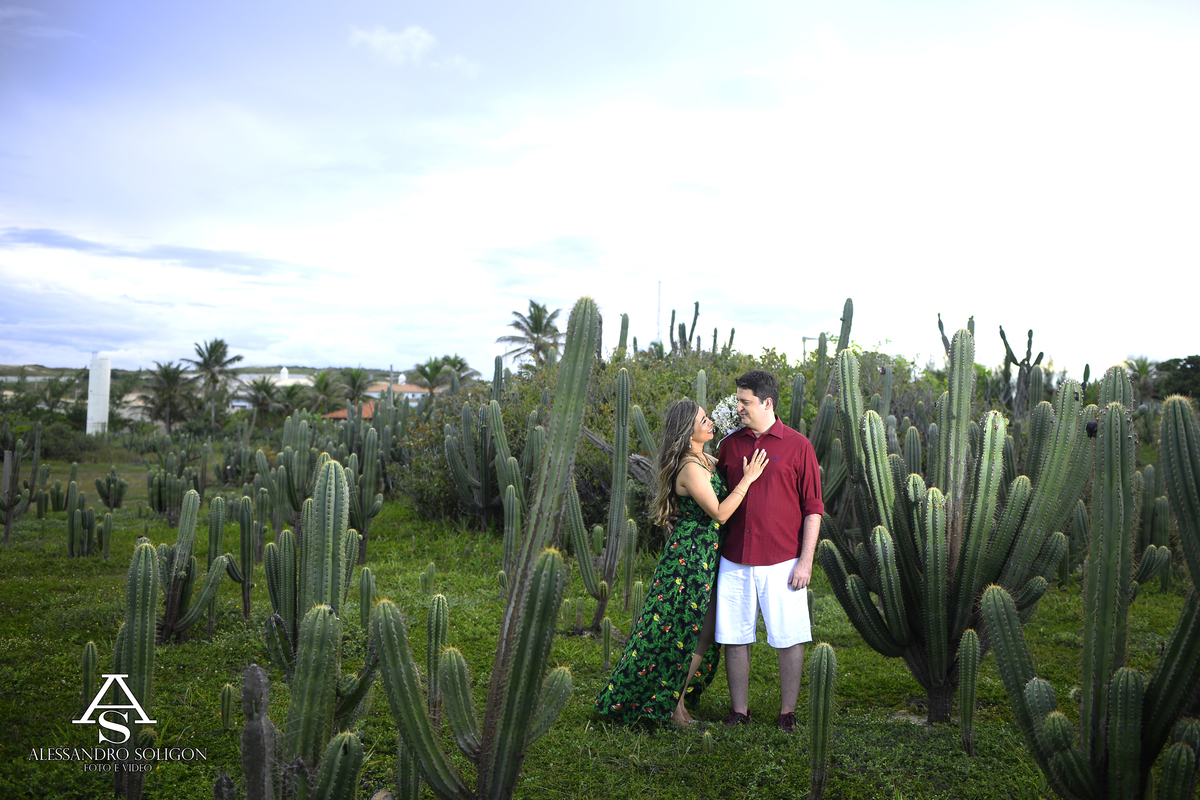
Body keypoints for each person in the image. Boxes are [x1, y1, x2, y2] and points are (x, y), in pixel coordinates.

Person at [595, 398, 769, 726]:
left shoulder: (703, 458)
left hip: (706, 556)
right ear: (688, 431)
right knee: (683, 630)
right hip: (690, 560)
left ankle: (675, 701)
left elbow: (728, 467)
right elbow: (718, 512)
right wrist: (749, 479)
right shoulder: (690, 468)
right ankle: (670, 706)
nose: (709, 424)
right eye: (703, 420)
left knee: (702, 632)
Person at [715, 370, 823, 733]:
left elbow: (813, 508)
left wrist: (805, 561)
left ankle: (787, 713)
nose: (739, 408)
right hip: (734, 558)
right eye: (738, 401)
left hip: (784, 561)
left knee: (789, 636)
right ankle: (739, 711)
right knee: (734, 636)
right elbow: (713, 498)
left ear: (767, 403)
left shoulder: (798, 446)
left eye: (745, 402)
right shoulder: (729, 446)